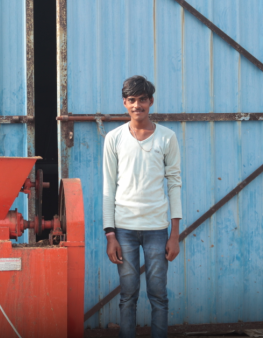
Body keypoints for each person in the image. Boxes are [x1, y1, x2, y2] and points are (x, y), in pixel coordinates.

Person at [103, 76, 182, 338]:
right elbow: (108, 189)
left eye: (143, 99)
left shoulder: (167, 138)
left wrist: (174, 234)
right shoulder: (113, 138)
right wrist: (110, 234)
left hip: (157, 230)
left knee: (158, 295)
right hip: (123, 229)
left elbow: (174, 185)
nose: (138, 105)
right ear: (125, 103)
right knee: (128, 295)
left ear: (151, 101)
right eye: (132, 100)